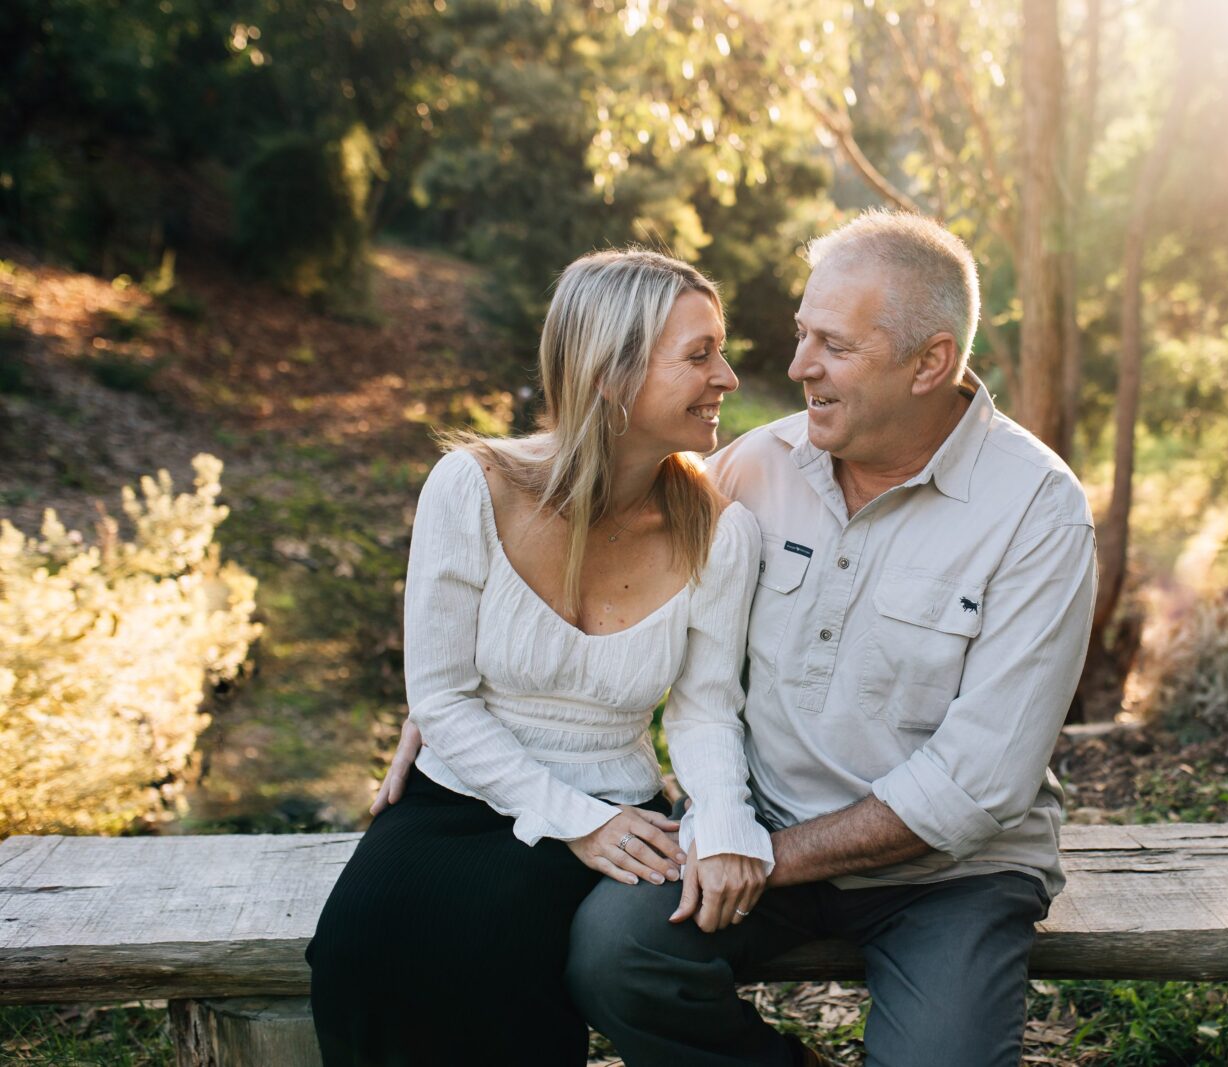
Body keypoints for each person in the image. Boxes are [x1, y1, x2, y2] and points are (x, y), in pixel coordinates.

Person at [384, 211, 1096, 1066]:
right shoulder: (751, 470)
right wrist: (447, 701)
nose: (796, 367)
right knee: (616, 954)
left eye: (831, 345)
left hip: (947, 874)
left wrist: (758, 853)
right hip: (756, 827)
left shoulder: (1036, 510)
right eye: (802, 336)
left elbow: (978, 784)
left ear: (930, 362)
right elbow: (588, 516)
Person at [307, 249, 773, 1066]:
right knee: (358, 947)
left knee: (498, 955)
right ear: (609, 373)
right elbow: (441, 700)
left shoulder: (719, 532)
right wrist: (572, 820)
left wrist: (718, 816)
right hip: (459, 795)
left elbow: (704, 709)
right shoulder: (470, 487)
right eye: (699, 354)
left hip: (619, 813)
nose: (727, 376)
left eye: (720, 350)